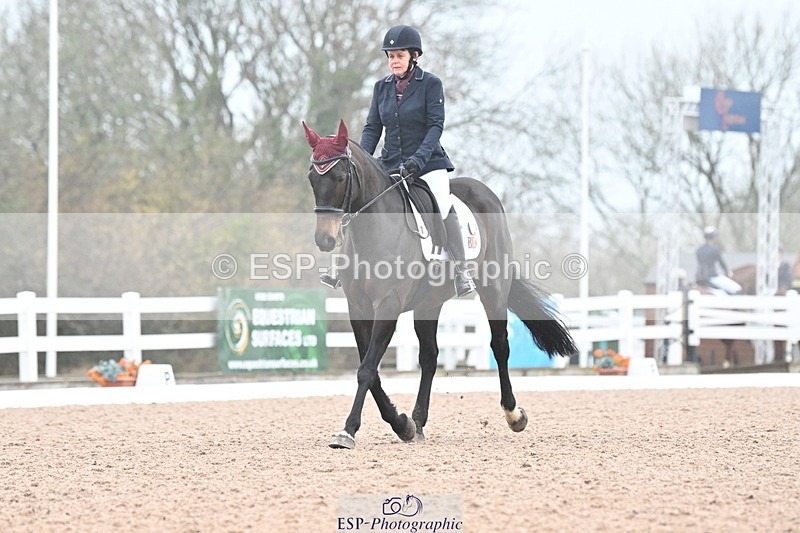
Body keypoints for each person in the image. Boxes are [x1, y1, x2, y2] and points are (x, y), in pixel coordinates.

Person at [357, 24, 475, 297]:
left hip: (428, 164)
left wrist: (418, 161)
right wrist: (364, 161)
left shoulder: (431, 84)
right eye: (390, 56)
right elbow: (373, 128)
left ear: (413, 55)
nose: (393, 61)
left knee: (443, 204)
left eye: (399, 55)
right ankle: (345, 267)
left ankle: (460, 270)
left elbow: (435, 126)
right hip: (390, 164)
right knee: (362, 202)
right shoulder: (381, 88)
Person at [695, 226, 742, 295]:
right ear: (713, 237)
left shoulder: (699, 250)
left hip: (699, 277)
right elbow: (722, 263)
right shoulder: (715, 249)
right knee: (736, 288)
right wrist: (728, 272)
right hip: (712, 276)